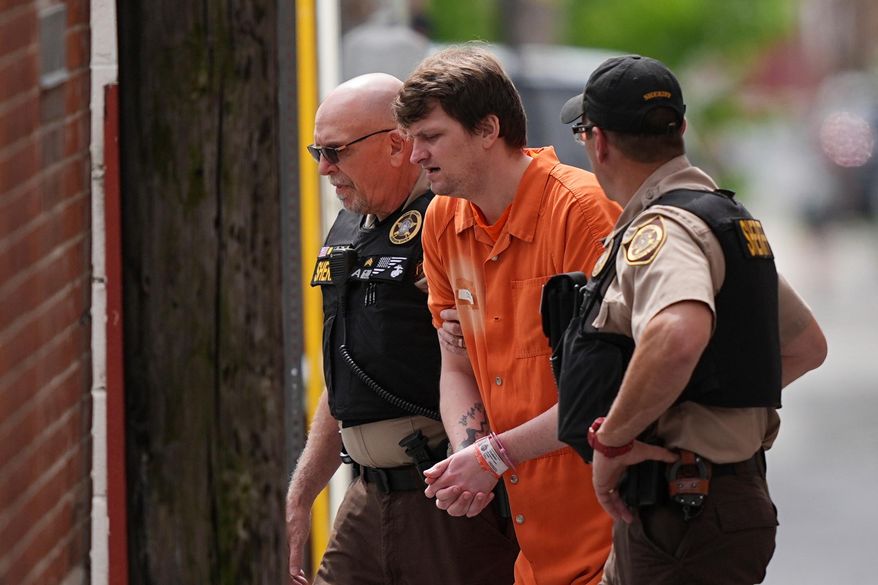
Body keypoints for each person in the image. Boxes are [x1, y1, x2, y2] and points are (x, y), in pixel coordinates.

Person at [555, 55, 829, 585]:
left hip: (681, 508)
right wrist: (700, 408)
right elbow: (805, 346)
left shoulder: (666, 231)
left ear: (599, 142)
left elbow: (678, 334)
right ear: (680, 128)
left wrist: (614, 440)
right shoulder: (726, 219)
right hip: (713, 499)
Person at [392, 45, 621, 585]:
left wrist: (492, 456)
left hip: (608, 537)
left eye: (431, 137)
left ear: (489, 128)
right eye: (411, 139)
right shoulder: (442, 220)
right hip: (532, 550)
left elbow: (610, 392)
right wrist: (472, 456)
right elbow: (456, 366)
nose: (415, 156)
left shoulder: (584, 212)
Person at [285, 73, 519, 585]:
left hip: (446, 492)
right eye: (316, 151)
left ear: (395, 145)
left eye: (336, 151)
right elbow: (348, 368)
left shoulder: (450, 219)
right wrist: (302, 494)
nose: (324, 168)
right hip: (367, 494)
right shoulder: (352, 222)